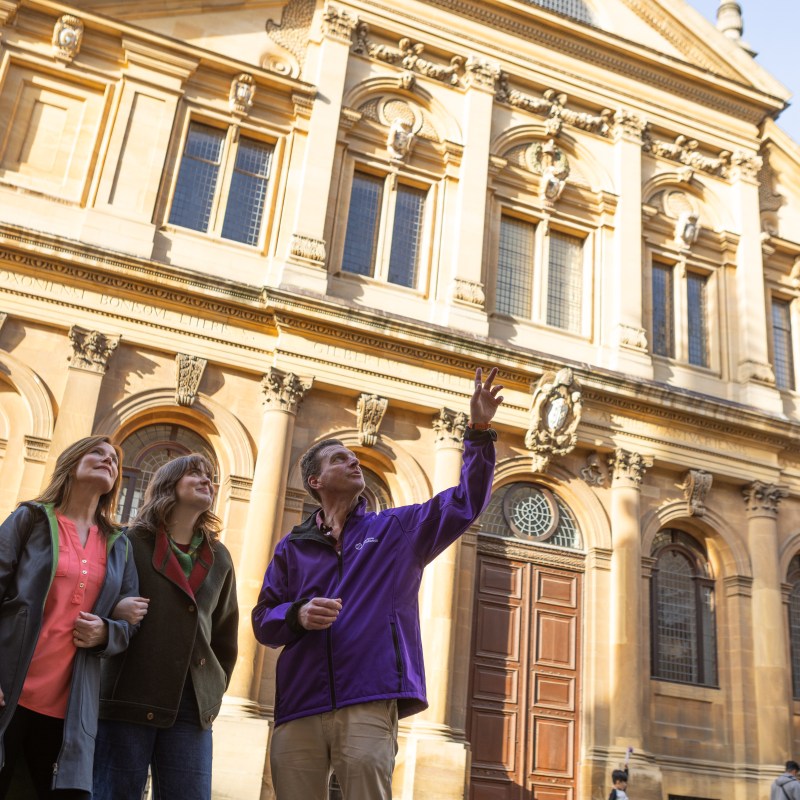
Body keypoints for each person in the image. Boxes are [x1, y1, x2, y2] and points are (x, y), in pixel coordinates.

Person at [253, 366, 504, 799]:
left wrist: (479, 432)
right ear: (315, 481)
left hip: (369, 696)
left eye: (354, 458)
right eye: (339, 459)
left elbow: (465, 503)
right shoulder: (291, 547)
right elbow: (263, 620)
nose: (353, 461)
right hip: (299, 703)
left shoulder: (397, 530)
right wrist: (297, 614)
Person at [0, 435, 140, 799]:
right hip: (7, 695)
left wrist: (105, 632)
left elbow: (130, 624)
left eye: (114, 459)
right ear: (72, 462)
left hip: (69, 712)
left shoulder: (118, 544)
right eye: (97, 452)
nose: (108, 460)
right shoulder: (29, 518)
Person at [93, 453, 238, 800]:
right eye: (195, 473)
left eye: (210, 477)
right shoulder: (127, 542)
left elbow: (224, 636)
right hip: (128, 693)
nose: (207, 481)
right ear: (168, 484)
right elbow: (95, 603)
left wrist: (211, 690)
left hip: (191, 705)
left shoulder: (220, 557)